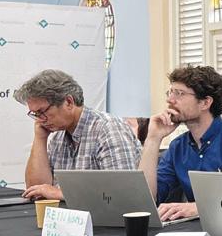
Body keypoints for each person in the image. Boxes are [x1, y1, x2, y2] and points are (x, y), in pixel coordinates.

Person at [139, 65, 222, 221]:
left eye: (179, 93)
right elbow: (145, 200)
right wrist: (153, 139)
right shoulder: (178, 146)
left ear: (205, 103)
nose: (170, 100)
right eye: (170, 92)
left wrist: (198, 207)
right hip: (195, 230)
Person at [14, 69, 141, 201]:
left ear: (69, 102)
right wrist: (40, 138)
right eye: (35, 114)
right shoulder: (57, 135)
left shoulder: (108, 129)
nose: (40, 120)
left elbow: (122, 193)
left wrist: (62, 194)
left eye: (42, 112)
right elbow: (36, 190)